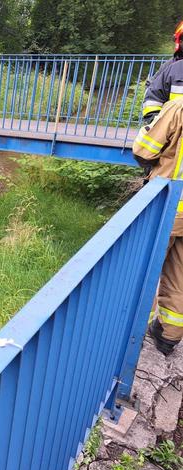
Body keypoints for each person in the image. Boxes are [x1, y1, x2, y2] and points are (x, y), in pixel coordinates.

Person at [133, 99, 183, 355]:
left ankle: (134, 332)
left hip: (172, 208)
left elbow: (144, 151)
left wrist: (147, 127)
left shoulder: (178, 108)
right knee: (180, 273)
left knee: (145, 270)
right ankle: (168, 335)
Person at [142, 21, 183, 124]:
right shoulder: (170, 67)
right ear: (178, 41)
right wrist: (161, 125)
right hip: (174, 134)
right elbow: (151, 99)